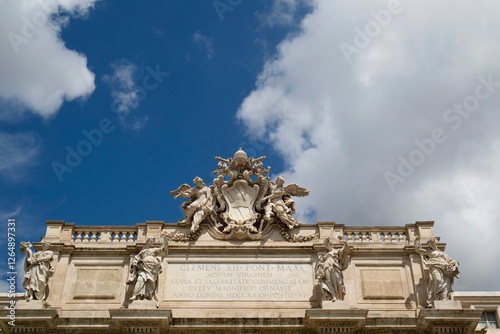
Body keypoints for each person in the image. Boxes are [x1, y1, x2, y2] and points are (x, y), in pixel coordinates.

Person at [414, 237, 460, 307]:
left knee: (444, 282)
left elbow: (450, 260)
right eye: (430, 244)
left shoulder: (441, 253)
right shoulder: (429, 252)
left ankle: (443, 298)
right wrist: (416, 243)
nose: (432, 245)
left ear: (435, 244)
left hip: (444, 266)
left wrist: (455, 263)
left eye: (432, 243)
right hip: (434, 265)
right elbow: (418, 250)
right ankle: (435, 297)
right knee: (437, 279)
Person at [127, 236, 168, 307]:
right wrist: (136, 264)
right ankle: (136, 295)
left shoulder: (154, 250)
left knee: (151, 282)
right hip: (143, 268)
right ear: (147, 241)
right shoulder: (142, 252)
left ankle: (149, 296)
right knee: (140, 280)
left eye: (153, 241)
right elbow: (135, 260)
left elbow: (163, 250)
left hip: (152, 269)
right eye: (151, 241)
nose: (152, 242)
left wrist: (164, 242)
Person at [315, 237, 350, 303]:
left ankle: (339, 298)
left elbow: (346, 251)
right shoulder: (325, 255)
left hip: (335, 268)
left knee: (338, 283)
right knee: (328, 282)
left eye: (327, 244)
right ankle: (333, 296)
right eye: (326, 245)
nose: (327, 246)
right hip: (326, 269)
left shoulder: (336, 251)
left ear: (330, 244)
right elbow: (319, 264)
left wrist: (344, 243)